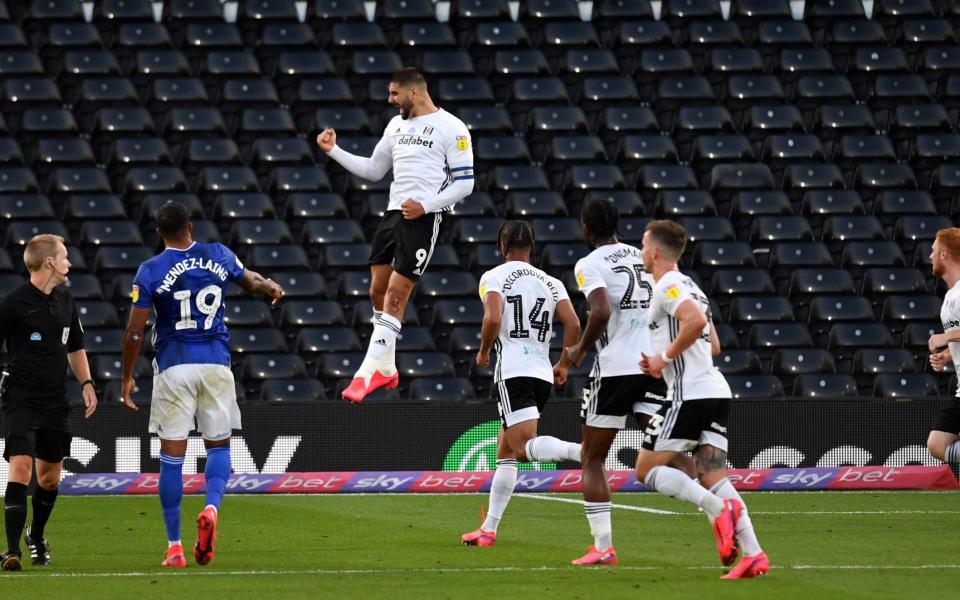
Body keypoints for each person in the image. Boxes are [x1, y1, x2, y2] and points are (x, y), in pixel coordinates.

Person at [120, 202, 283, 568]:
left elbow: (134, 332)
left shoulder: (149, 270)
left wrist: (127, 376)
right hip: (215, 363)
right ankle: (211, 507)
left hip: (175, 366)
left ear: (159, 232)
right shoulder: (218, 254)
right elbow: (253, 281)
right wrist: (270, 285)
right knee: (219, 447)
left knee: (171, 459)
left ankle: (175, 547)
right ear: (190, 226)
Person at [316, 67, 474, 403]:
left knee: (396, 296)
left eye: (394, 94)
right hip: (393, 214)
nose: (390, 100)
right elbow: (374, 170)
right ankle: (387, 367)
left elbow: (465, 182)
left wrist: (427, 206)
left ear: (413, 92)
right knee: (377, 291)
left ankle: (366, 373)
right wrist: (333, 151)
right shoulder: (395, 125)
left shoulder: (453, 128)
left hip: (422, 218)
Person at [563, 199, 695, 566]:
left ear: (586, 229)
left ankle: (603, 547)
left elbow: (601, 310)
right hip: (652, 364)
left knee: (592, 458)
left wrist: (580, 349)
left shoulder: (589, 264)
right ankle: (717, 504)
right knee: (667, 452)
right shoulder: (643, 257)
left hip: (616, 369)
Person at [636, 220, 769, 580]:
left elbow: (693, 324)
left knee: (645, 470)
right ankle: (754, 554)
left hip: (690, 393)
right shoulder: (693, 286)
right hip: (714, 390)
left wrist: (662, 359)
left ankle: (716, 509)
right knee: (712, 474)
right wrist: (664, 357)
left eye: (643, 246)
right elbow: (713, 345)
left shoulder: (668, 285)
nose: (641, 252)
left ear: (654, 251)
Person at [460, 221, 582, 547]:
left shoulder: (494, 276)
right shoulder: (551, 282)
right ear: (532, 247)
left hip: (514, 370)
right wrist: (565, 364)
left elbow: (493, 318)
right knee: (506, 453)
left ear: (502, 246)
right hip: (542, 371)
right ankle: (488, 529)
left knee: (522, 448)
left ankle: (583, 453)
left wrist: (484, 350)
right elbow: (573, 323)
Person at [0, 234, 98, 571]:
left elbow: (75, 347)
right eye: (65, 257)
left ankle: (36, 535)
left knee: (49, 480)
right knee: (20, 468)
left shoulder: (66, 301)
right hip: (21, 399)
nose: (70, 263)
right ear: (50, 262)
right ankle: (11, 551)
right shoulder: (12, 304)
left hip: (56, 401)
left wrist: (86, 382)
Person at [926, 228, 960, 464]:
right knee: (937, 444)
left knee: (937, 444)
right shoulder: (950, 297)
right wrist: (948, 355)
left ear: (945, 254)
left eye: (934, 251)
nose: (930, 256)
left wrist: (945, 338)